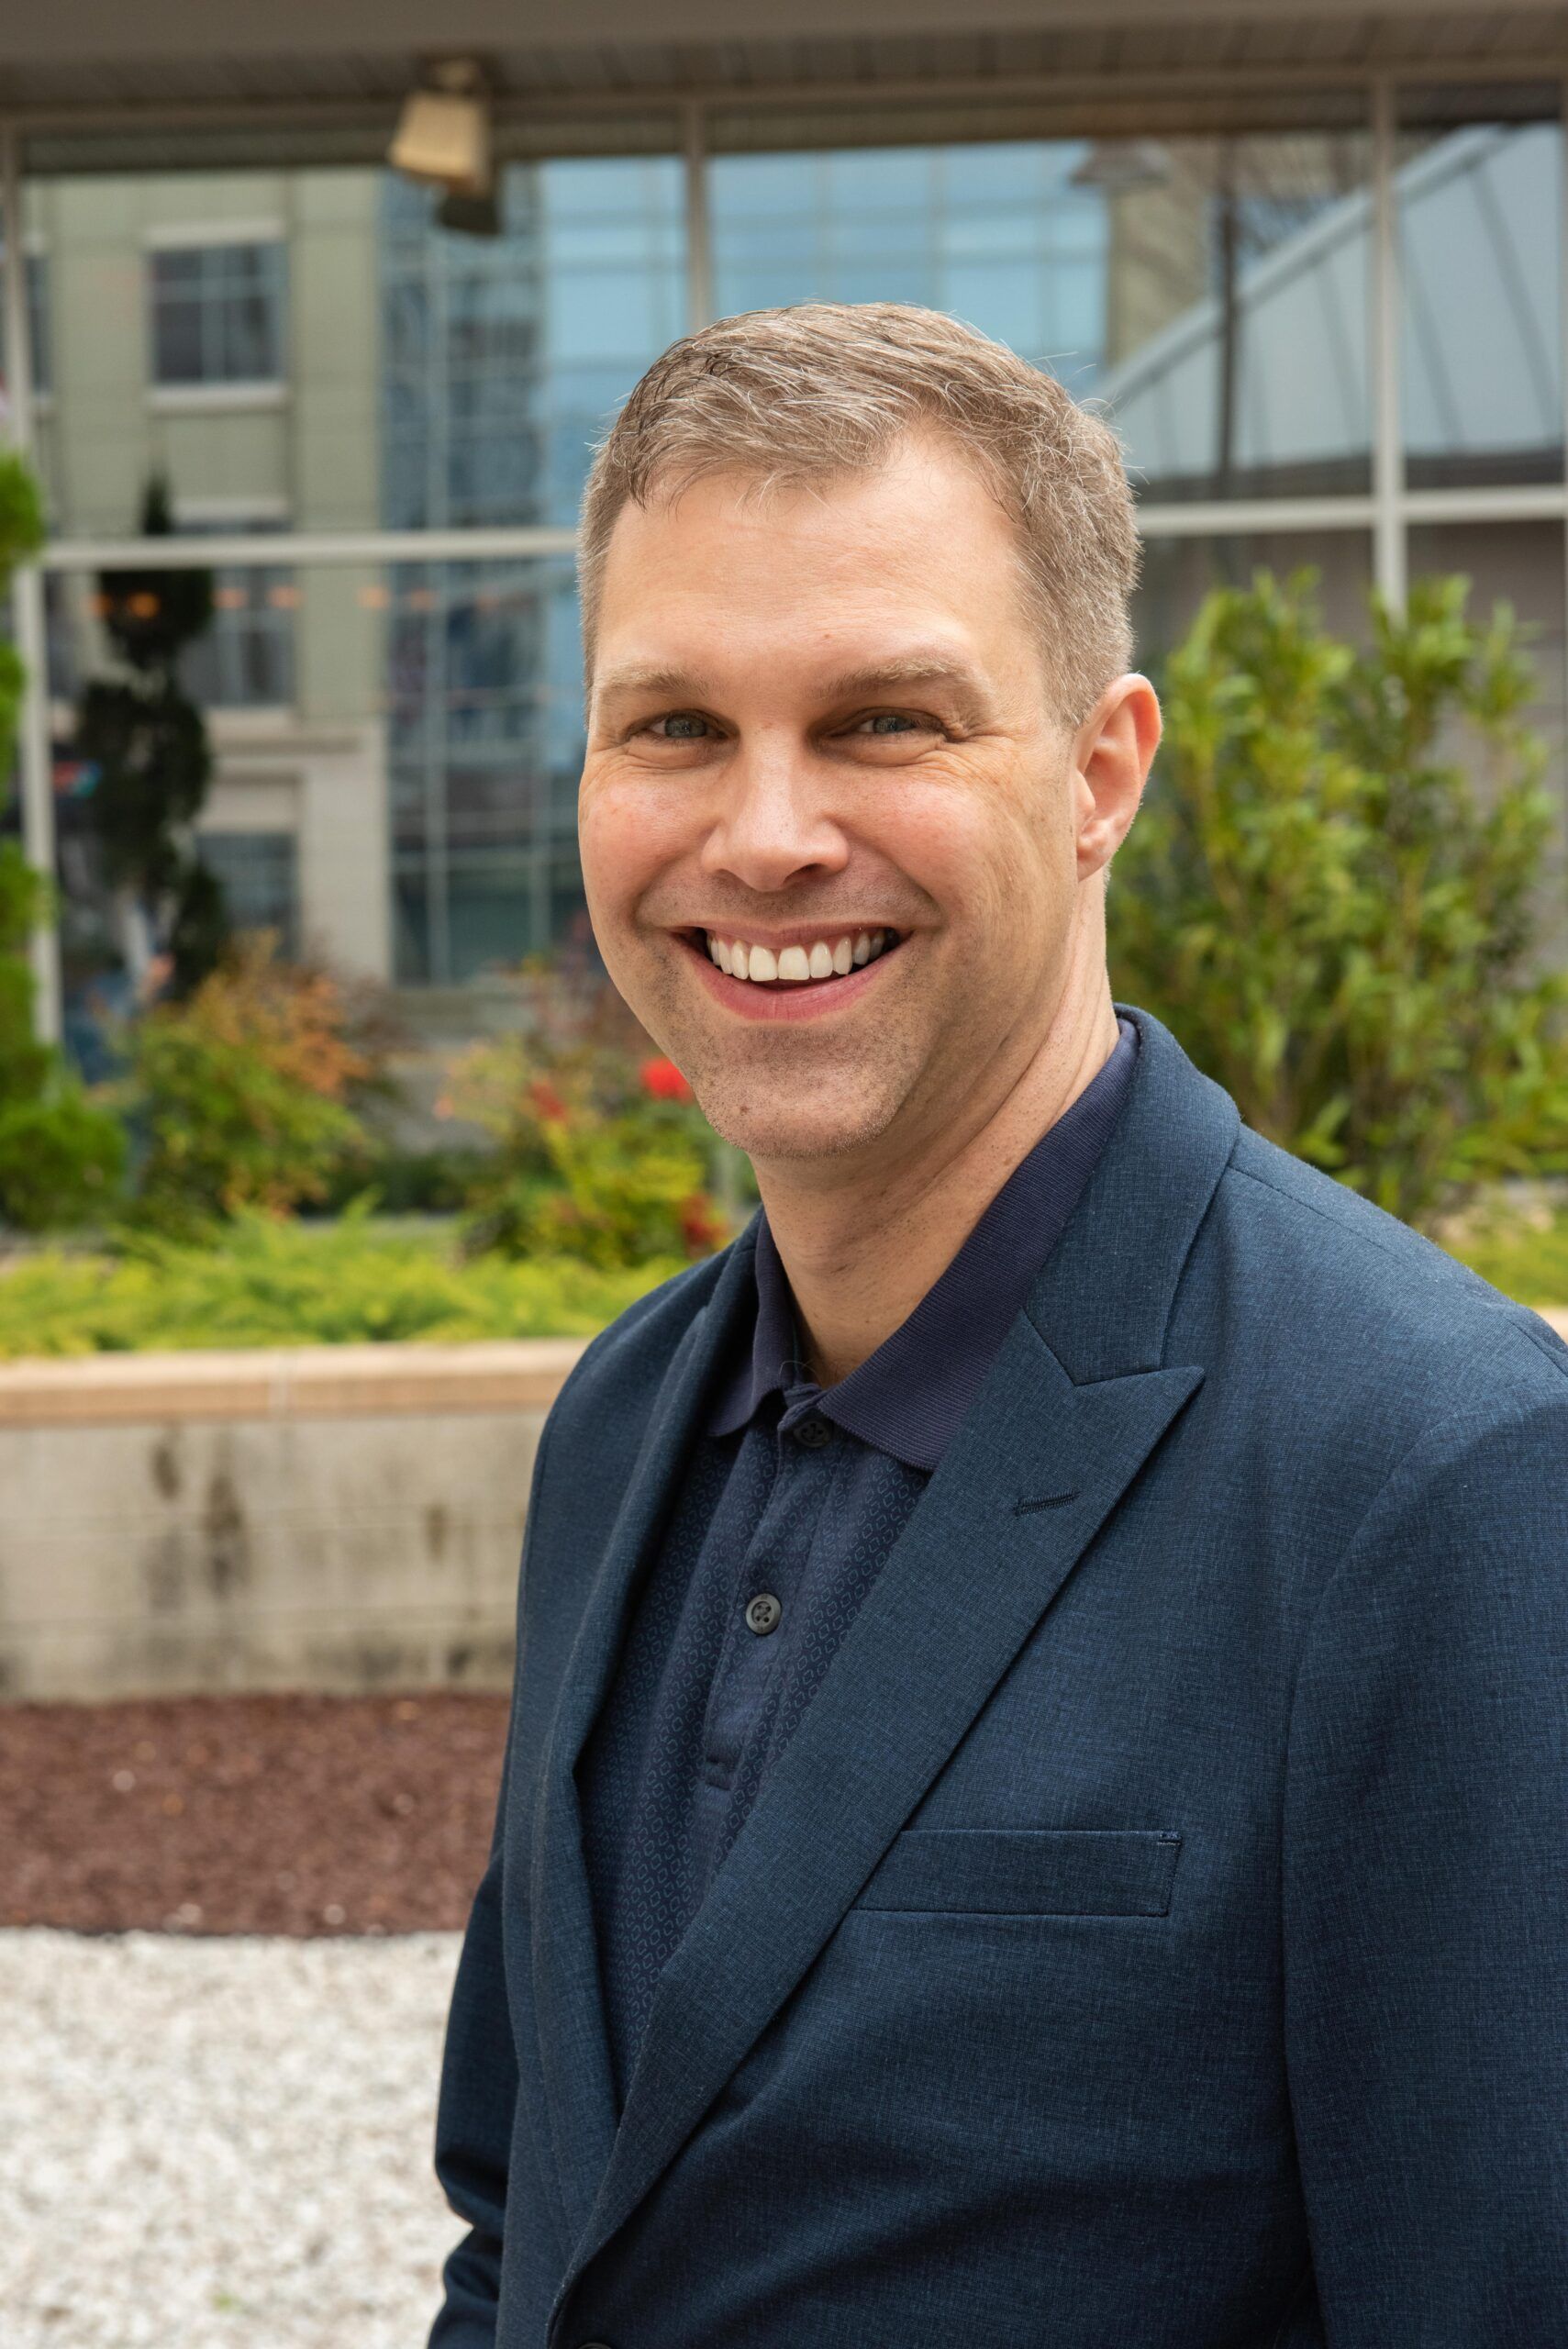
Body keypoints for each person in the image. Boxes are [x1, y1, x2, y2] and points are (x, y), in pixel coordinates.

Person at [428, 304, 1568, 2348]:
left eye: (883, 719)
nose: (764, 832)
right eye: (674, 724)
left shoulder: (1436, 1474)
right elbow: (529, 2225)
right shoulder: (615, 1426)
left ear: (1100, 771)